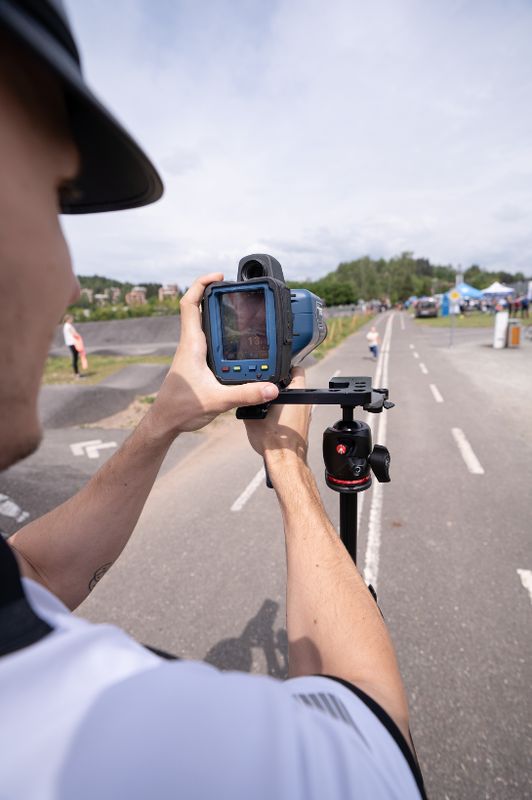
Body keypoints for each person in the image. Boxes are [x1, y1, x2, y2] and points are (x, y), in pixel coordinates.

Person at [0, 3, 426, 799]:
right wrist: (289, 471)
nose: (67, 282)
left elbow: (33, 571)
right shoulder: (149, 745)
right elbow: (375, 746)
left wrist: (162, 421)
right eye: (50, 197)